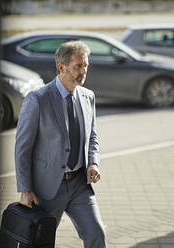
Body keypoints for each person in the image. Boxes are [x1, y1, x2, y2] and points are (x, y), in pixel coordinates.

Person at [15, 40, 106, 248]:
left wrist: (93, 163)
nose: (84, 70)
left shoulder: (88, 97)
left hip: (79, 186)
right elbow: (22, 148)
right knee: (39, 241)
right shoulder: (37, 99)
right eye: (78, 66)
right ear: (61, 67)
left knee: (97, 234)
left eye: (86, 65)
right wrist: (25, 188)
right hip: (46, 189)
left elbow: (92, 136)